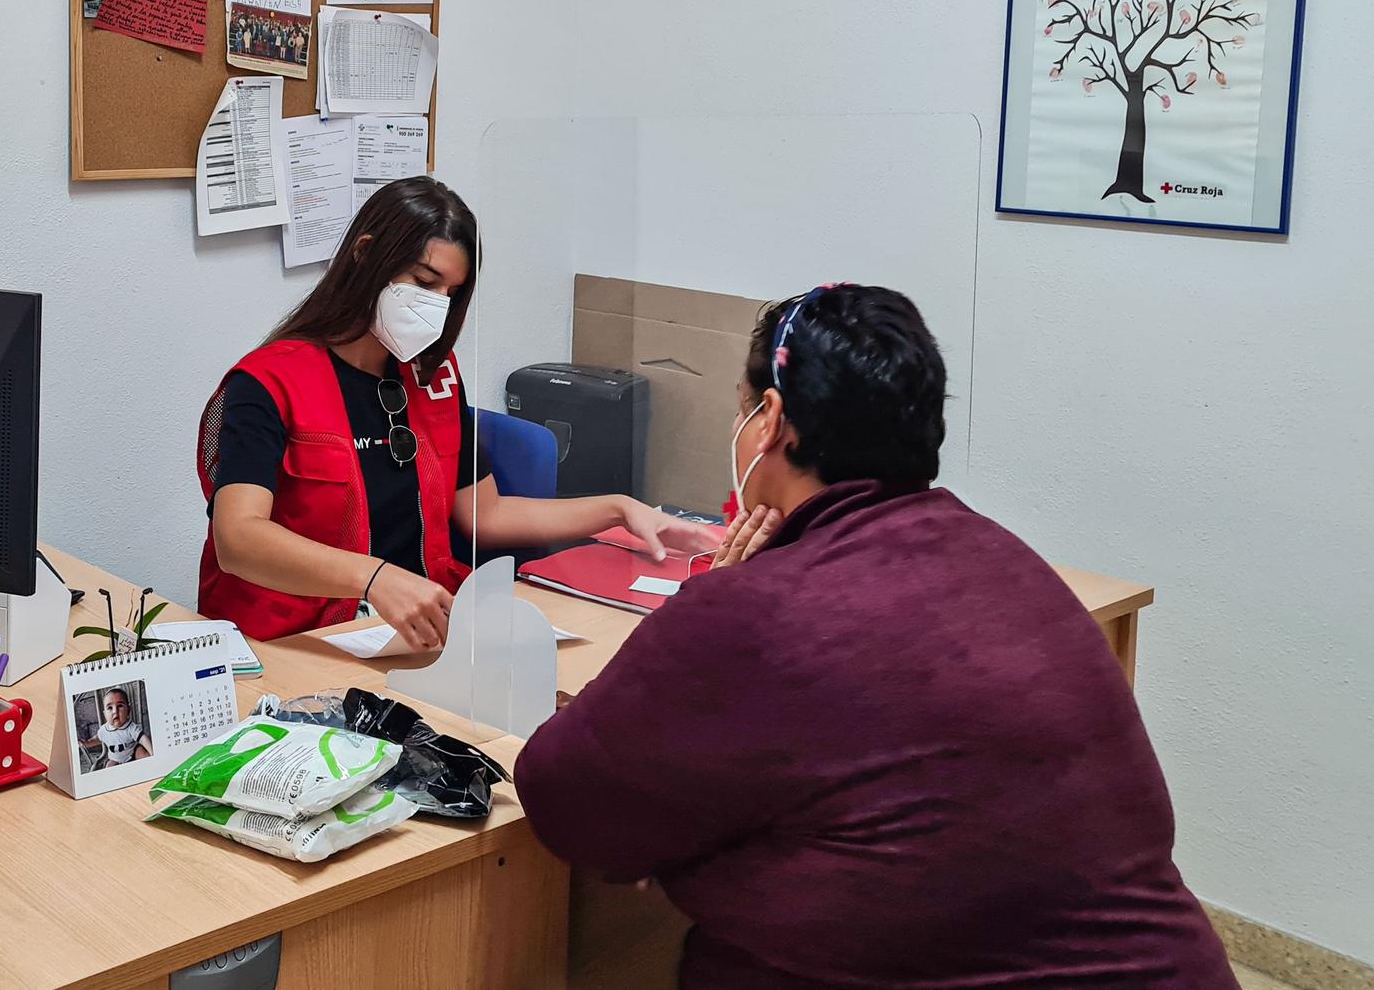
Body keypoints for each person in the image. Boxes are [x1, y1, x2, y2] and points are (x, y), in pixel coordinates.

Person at [515, 285, 1239, 990]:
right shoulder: (1004, 558)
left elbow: (564, 796)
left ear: (770, 421)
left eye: (742, 407)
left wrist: (708, 601)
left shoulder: (754, 611)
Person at [197, 177, 716, 648]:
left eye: (451, 292)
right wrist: (374, 577)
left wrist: (621, 510)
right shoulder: (268, 383)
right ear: (365, 254)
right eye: (424, 283)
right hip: (303, 638)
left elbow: (483, 514)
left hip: (423, 634)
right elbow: (238, 539)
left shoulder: (433, 377)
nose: (437, 304)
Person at [82, 687, 150, 770]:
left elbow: (143, 739)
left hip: (133, 752)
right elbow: (97, 739)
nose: (115, 711)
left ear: (128, 710)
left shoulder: (131, 727)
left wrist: (152, 752)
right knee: (109, 767)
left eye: (120, 706)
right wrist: (87, 743)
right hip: (115, 759)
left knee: (142, 754)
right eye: (110, 708)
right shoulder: (104, 730)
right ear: (105, 714)